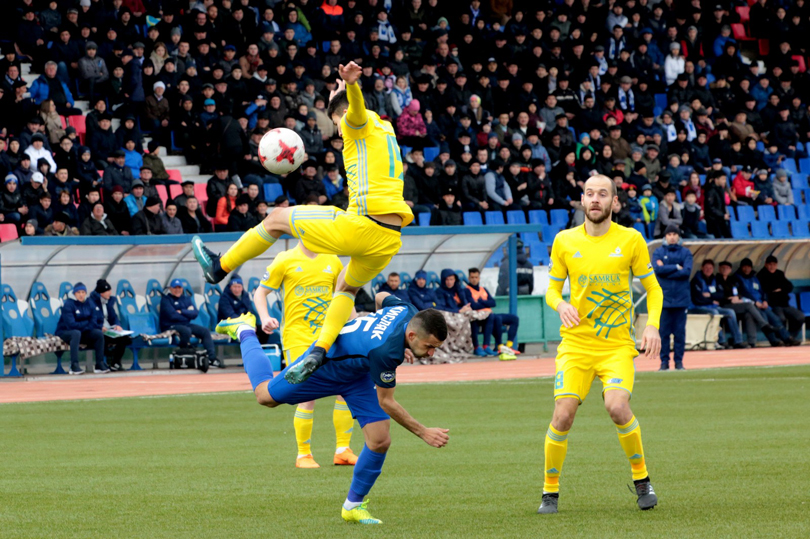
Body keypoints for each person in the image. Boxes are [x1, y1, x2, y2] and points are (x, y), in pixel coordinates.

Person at [192, 61, 413, 385]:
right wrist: (343, 93)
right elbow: (357, 113)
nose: (337, 131)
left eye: (334, 123)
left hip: (364, 225)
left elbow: (353, 115)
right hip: (389, 239)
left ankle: (219, 267)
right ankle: (319, 350)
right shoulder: (386, 131)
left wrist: (350, 87)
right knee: (346, 288)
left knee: (277, 218)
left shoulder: (356, 127)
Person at [214, 291, 448, 524]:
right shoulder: (385, 351)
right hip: (325, 367)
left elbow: (381, 296)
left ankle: (353, 506)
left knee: (379, 439)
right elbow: (386, 401)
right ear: (412, 334)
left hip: (357, 373)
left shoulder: (406, 310)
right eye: (429, 346)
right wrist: (423, 431)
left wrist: (389, 336)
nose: (430, 353)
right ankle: (244, 330)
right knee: (265, 396)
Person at [539, 174, 663, 514]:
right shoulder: (564, 241)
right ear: (582, 200)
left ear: (615, 203)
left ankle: (642, 482)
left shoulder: (632, 239)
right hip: (576, 346)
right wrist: (560, 304)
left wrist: (651, 326)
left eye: (603, 194)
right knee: (562, 415)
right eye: (590, 193)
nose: (595, 199)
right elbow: (551, 289)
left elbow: (654, 289)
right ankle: (550, 492)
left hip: (616, 346)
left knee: (617, 408)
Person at [252, 242, 361, 468]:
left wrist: (356, 325)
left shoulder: (332, 259)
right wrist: (264, 317)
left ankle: (343, 449)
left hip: (330, 335)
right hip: (298, 338)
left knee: (344, 388)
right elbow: (260, 292)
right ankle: (304, 454)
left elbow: (344, 295)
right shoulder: (285, 259)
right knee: (306, 394)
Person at [652, 225, 692, 370]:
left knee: (679, 334)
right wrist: (676, 267)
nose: (672, 236)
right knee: (663, 334)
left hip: (681, 300)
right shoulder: (658, 252)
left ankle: (679, 362)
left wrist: (667, 269)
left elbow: (686, 272)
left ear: (679, 236)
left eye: (675, 234)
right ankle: (664, 363)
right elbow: (658, 270)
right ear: (665, 236)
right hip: (664, 300)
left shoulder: (686, 252)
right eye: (669, 234)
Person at [735, 258, 799, 347]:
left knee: (775, 318)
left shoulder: (754, 277)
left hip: (762, 303)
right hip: (751, 305)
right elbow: (744, 292)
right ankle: (774, 341)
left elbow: (762, 290)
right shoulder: (737, 277)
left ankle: (787, 338)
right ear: (741, 267)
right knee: (764, 318)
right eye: (745, 267)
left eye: (749, 267)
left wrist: (765, 300)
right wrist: (756, 302)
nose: (747, 269)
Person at [159, 279, 221, 367]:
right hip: (170, 325)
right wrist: (187, 313)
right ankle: (185, 355)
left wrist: (181, 311)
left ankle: (212, 358)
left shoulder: (186, 298)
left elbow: (195, 313)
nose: (177, 290)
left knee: (205, 331)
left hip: (185, 324)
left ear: (182, 289)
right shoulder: (166, 300)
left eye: (179, 288)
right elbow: (172, 316)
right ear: (170, 289)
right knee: (186, 331)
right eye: (175, 288)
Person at [689, 259, 748, 349]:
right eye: (706, 268)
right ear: (702, 268)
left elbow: (721, 294)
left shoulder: (714, 279)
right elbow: (698, 299)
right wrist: (712, 300)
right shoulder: (696, 280)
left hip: (713, 306)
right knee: (715, 313)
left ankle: (738, 340)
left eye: (710, 268)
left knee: (730, 312)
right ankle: (721, 340)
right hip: (699, 307)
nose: (708, 270)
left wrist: (710, 295)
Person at [465, 267, 519, 360]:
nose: (474, 279)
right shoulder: (467, 290)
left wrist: (481, 302)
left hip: (489, 313)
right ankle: (497, 346)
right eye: (472, 277)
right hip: (478, 317)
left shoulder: (483, 289)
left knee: (514, 318)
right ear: (469, 278)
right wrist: (485, 303)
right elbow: (473, 305)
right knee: (495, 318)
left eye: (476, 277)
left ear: (479, 278)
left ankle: (509, 345)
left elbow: (493, 303)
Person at [55, 282, 108, 375]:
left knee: (98, 333)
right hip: (65, 332)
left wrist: (87, 324)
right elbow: (71, 325)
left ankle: (99, 364)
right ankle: (74, 365)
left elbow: (94, 320)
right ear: (74, 293)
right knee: (76, 333)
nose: (81, 294)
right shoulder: (68, 304)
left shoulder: (89, 303)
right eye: (78, 292)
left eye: (83, 292)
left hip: (82, 332)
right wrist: (86, 323)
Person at [756, 256, 805, 342]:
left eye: (774, 265)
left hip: (785, 303)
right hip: (773, 305)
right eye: (770, 264)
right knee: (780, 318)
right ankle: (782, 338)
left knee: (800, 317)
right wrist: (779, 288)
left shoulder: (779, 273)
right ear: (766, 265)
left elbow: (789, 286)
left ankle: (790, 337)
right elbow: (766, 289)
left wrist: (780, 289)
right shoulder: (761, 275)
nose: (772, 267)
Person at [88, 279, 132, 372]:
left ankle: (115, 363)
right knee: (101, 338)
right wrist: (100, 327)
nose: (109, 293)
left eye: (110, 290)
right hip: (98, 331)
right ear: (101, 293)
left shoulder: (109, 302)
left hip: (108, 330)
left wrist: (117, 325)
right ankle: (107, 358)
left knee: (125, 338)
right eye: (107, 291)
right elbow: (91, 319)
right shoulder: (91, 302)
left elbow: (114, 317)